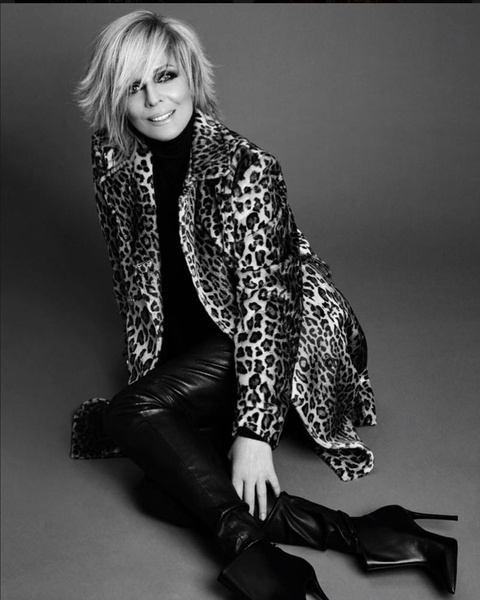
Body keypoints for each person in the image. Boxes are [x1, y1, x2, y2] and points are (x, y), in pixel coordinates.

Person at [74, 10, 458, 599]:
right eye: (133, 86)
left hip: (290, 334)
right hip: (210, 341)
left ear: (192, 76)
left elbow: (270, 306)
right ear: (114, 97)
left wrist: (255, 434)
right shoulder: (112, 155)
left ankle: (263, 564)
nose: (154, 100)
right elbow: (135, 278)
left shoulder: (246, 168)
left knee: (132, 416)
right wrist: (162, 374)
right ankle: (374, 535)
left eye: (166, 77)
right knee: (161, 486)